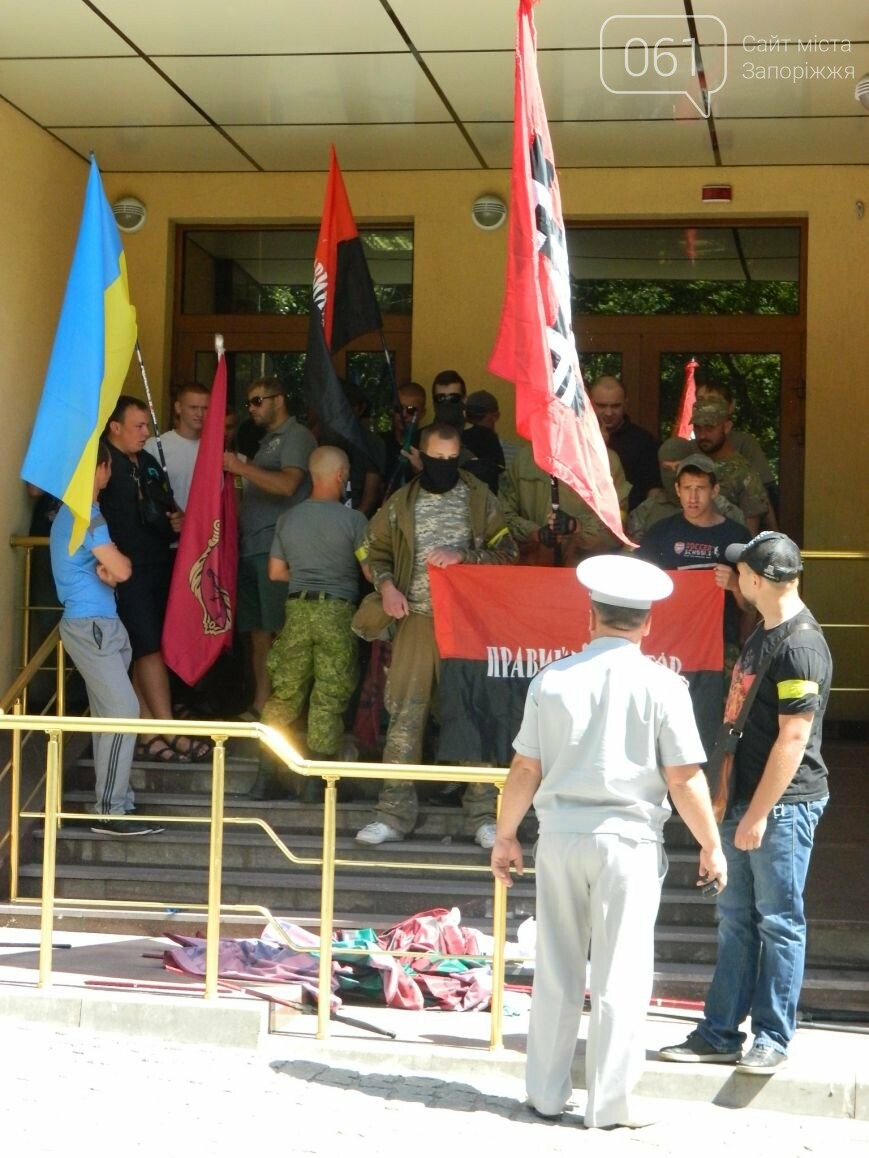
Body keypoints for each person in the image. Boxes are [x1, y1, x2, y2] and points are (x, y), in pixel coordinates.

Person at [491, 554, 726, 1129]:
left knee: (556, 968)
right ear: (647, 624)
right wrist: (711, 844)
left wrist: (504, 835)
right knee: (622, 974)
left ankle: (545, 1095)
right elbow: (684, 777)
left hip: (560, 838)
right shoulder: (664, 685)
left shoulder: (552, 680)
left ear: (590, 616)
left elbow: (525, 768)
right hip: (628, 843)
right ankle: (610, 1104)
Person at [660, 532, 832, 1075]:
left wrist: (757, 815)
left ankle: (772, 1039)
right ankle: (719, 1032)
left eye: (741, 572)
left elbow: (794, 739)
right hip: (746, 802)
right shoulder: (766, 629)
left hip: (781, 808)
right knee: (736, 921)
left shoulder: (800, 645)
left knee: (779, 922)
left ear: (758, 580)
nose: (733, 577)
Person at [355, 422, 519, 848]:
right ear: (419, 457)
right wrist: (387, 586)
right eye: (435, 460)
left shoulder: (481, 498)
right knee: (405, 717)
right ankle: (392, 813)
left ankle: (483, 816)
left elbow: (508, 554)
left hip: (468, 624)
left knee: (472, 716)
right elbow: (370, 551)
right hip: (417, 621)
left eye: (451, 460)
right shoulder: (400, 503)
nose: (443, 467)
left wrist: (464, 555)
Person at [50, 440, 164, 836]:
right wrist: (117, 565)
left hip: (98, 624)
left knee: (111, 718)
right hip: (94, 625)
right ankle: (111, 809)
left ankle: (116, 805)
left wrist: (113, 568)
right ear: (100, 469)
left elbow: (113, 569)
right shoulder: (87, 515)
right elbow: (122, 568)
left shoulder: (78, 514)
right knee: (122, 713)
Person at [254, 447, 369, 799]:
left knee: (286, 692)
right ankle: (315, 782)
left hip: (297, 610)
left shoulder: (289, 519)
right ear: (339, 475)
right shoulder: (354, 522)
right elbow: (369, 570)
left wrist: (307, 574)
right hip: (336, 611)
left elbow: (275, 572)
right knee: (329, 693)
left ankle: (266, 775)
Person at [101, 395, 204, 763]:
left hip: (160, 563)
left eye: (148, 425)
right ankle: (169, 730)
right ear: (115, 426)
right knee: (147, 648)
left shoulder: (147, 462)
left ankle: (147, 729)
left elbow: (167, 505)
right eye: (139, 426)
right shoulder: (101, 463)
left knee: (149, 646)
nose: (147, 432)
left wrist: (175, 519)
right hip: (124, 571)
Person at [223, 378, 316, 716]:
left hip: (279, 550)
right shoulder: (266, 443)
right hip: (252, 547)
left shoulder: (297, 436)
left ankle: (286, 709)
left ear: (280, 400)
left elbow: (288, 485)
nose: (252, 408)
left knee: (281, 631)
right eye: (249, 402)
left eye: (258, 401)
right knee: (258, 633)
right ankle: (262, 704)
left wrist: (240, 466)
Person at [499, 438, 630, 566]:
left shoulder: (605, 461)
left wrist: (577, 526)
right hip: (534, 571)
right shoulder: (524, 459)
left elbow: (616, 524)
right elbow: (502, 516)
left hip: (582, 571)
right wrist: (534, 534)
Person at [628, 436, 746, 543]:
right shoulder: (646, 511)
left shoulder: (723, 509)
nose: (673, 474)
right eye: (667, 468)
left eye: (678, 467)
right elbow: (634, 555)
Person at [695, 377, 778, 523]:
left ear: (730, 406)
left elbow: (762, 494)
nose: (706, 405)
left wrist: (775, 533)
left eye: (713, 400)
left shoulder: (745, 443)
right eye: (700, 399)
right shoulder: (687, 447)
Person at [691, 398, 770, 536]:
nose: (702, 435)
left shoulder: (743, 473)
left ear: (727, 427)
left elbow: (747, 535)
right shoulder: (690, 465)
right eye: (697, 428)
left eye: (709, 428)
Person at [588, 375, 660, 511]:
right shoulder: (576, 440)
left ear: (625, 404)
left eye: (615, 406)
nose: (608, 412)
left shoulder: (643, 442)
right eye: (601, 405)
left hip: (631, 523)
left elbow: (654, 490)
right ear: (590, 403)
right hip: (583, 523)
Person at [144, 383, 210, 512]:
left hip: (207, 528)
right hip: (167, 526)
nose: (200, 414)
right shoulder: (155, 446)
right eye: (193, 407)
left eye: (205, 408)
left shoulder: (216, 449)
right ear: (178, 407)